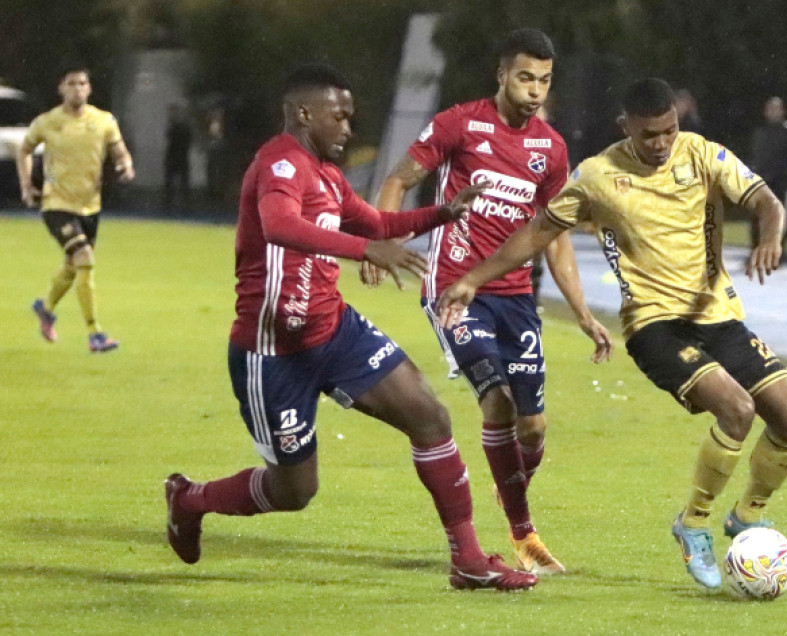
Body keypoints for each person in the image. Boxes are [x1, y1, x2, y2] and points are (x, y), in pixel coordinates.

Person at [162, 62, 538, 591]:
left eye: (350, 117)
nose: (347, 128)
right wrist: (367, 250)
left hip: (335, 331)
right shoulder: (280, 163)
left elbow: (378, 223)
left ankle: (468, 561)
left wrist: (442, 213)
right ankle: (190, 499)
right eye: (338, 117)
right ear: (303, 113)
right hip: (273, 353)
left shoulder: (328, 176)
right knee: (294, 491)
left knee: (430, 417)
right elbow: (279, 225)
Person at [436, 78, 787, 591]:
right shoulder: (597, 176)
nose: (661, 143)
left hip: (719, 316)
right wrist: (474, 279)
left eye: (669, 130)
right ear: (625, 127)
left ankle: (747, 515)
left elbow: (767, 200)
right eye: (649, 134)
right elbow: (538, 232)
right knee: (737, 410)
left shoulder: (702, 153)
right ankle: (693, 523)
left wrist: (771, 237)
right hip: (654, 326)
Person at [365, 28, 612, 575]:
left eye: (544, 80)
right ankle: (524, 534)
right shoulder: (459, 124)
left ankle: (510, 485)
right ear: (502, 75)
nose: (535, 90)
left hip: (516, 297)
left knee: (533, 427)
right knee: (496, 402)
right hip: (455, 289)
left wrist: (582, 313)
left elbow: (555, 236)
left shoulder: (551, 148)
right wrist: (383, 238)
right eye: (525, 78)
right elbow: (399, 180)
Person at [16, 64, 135, 352]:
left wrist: (126, 166)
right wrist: (27, 185)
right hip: (56, 205)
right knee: (84, 259)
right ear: (61, 89)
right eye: (71, 83)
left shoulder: (104, 121)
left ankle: (45, 308)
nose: (77, 89)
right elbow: (24, 150)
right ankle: (95, 334)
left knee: (72, 267)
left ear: (89, 88)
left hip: (90, 206)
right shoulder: (47, 122)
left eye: (82, 83)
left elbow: (120, 152)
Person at [750, 97, 787, 247]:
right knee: (756, 216)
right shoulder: (760, 132)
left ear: (782, 111)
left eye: (776, 109)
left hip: (780, 181)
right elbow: (757, 156)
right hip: (761, 180)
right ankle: (755, 248)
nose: (773, 112)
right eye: (770, 109)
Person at [163, 103, 192, 211]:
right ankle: (171, 201)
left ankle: (182, 201)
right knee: (172, 181)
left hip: (178, 156)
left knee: (181, 181)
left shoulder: (181, 127)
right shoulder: (176, 126)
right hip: (176, 156)